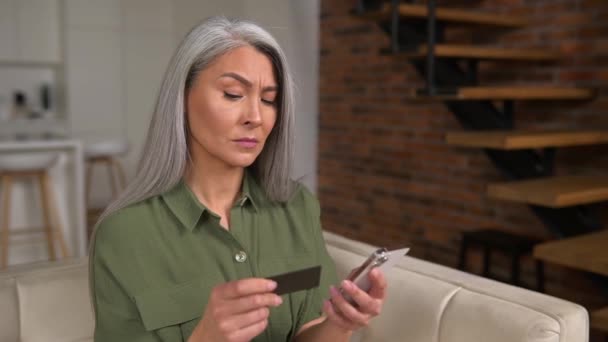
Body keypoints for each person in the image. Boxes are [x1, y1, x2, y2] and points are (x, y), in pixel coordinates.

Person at [89, 17, 386, 342]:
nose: (255, 117)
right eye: (233, 94)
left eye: (269, 99)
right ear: (182, 98)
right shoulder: (124, 235)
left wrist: (339, 323)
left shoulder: (297, 206)